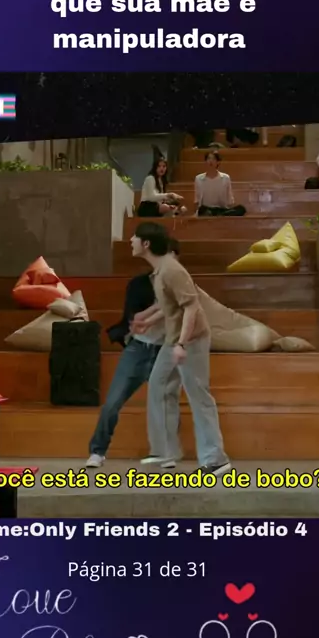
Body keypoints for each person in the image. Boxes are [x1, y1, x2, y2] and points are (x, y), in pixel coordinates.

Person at [130, 222, 230, 476]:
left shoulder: (172, 270)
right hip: (174, 339)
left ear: (146, 244)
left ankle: (216, 459)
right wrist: (147, 321)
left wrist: (182, 344)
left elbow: (191, 307)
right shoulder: (160, 270)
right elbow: (171, 306)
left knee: (198, 395)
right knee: (159, 385)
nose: (130, 240)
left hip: (191, 340)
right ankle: (166, 451)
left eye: (135, 237)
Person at [86, 239, 183, 469]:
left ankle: (166, 452)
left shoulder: (183, 284)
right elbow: (134, 317)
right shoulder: (140, 284)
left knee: (168, 403)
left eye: (173, 256)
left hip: (166, 349)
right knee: (112, 402)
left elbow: (181, 310)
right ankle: (97, 451)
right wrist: (150, 314)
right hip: (139, 348)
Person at [194, 151, 246, 216]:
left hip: (221, 209)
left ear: (218, 162)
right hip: (206, 209)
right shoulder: (198, 178)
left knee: (241, 209)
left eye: (213, 159)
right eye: (209, 158)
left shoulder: (225, 178)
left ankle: (221, 215)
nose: (211, 161)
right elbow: (197, 200)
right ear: (205, 161)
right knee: (204, 212)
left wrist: (230, 209)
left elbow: (229, 199)